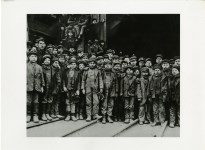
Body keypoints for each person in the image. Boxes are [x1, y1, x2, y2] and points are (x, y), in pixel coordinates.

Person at [81, 57, 103, 121]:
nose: (92, 64)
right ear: (88, 64)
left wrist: (101, 88)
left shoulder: (97, 71)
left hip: (95, 88)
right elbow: (83, 80)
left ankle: (95, 114)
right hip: (87, 88)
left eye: (93, 63)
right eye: (91, 63)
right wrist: (83, 88)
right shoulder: (86, 71)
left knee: (96, 102)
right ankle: (89, 115)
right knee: (88, 102)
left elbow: (100, 79)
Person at [27, 49, 45, 123]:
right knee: (28, 102)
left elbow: (42, 77)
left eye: (35, 56)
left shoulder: (39, 67)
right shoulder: (25, 66)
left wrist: (42, 86)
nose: (34, 58)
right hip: (28, 87)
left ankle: (35, 115)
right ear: (29, 57)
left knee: (36, 102)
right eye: (32, 56)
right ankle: (28, 115)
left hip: (37, 87)